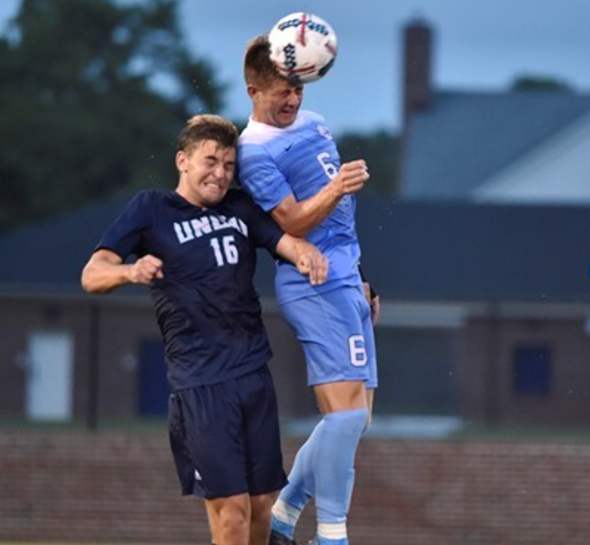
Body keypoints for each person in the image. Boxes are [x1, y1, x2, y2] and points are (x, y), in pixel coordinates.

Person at [81, 114, 329, 545]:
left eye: (229, 166)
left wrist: (306, 253)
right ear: (183, 160)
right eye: (210, 161)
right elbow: (91, 275)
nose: (220, 173)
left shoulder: (239, 207)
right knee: (230, 514)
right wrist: (129, 271)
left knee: (262, 507)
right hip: (201, 383)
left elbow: (285, 242)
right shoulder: (151, 208)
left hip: (253, 373)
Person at [238, 36, 379, 545]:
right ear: (254, 91)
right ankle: (332, 534)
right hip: (312, 283)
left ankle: (283, 514)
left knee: (357, 418)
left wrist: (363, 277)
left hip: (345, 278)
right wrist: (337, 186)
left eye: (296, 87)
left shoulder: (316, 121)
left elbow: (339, 225)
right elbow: (293, 220)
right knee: (342, 414)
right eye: (281, 91)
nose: (292, 99)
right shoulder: (253, 151)